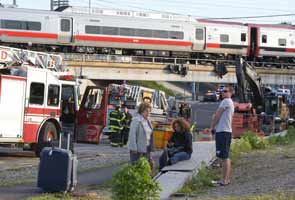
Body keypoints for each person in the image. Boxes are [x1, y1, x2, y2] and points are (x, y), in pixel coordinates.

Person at [210, 86, 234, 186]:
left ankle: (224, 180)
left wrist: (212, 126)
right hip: (225, 132)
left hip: (223, 132)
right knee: (224, 156)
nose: (223, 93)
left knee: (224, 157)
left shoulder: (226, 101)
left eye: (225, 91)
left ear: (230, 93)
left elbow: (217, 115)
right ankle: (225, 179)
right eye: (222, 91)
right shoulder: (230, 102)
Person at [127, 102, 154, 173]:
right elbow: (132, 135)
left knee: (148, 167)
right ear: (141, 111)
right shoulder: (136, 120)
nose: (148, 113)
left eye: (149, 111)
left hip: (146, 148)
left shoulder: (148, 121)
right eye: (146, 111)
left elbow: (150, 134)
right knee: (136, 168)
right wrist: (133, 148)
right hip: (137, 149)